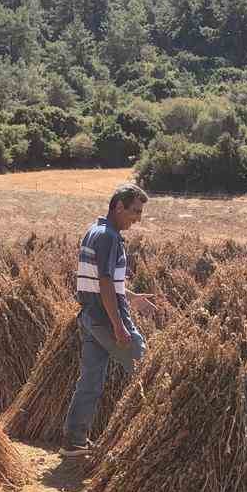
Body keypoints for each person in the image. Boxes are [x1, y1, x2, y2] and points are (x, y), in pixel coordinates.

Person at [62, 185, 157, 453]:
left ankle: (74, 440)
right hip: (106, 319)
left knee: (90, 380)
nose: (137, 219)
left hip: (90, 316)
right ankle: (151, 439)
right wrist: (119, 325)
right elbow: (104, 282)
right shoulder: (109, 237)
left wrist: (131, 295)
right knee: (146, 369)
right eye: (135, 212)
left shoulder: (94, 232)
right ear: (118, 207)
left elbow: (100, 281)